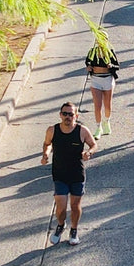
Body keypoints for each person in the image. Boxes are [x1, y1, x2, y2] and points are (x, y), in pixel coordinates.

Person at [42, 102, 96, 246]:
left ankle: (74, 230)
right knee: (60, 205)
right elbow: (47, 144)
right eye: (64, 114)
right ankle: (60, 225)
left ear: (76, 116)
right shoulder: (52, 130)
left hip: (77, 174)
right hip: (59, 174)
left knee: (75, 205)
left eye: (70, 114)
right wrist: (45, 155)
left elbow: (93, 144)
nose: (67, 117)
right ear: (60, 115)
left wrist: (88, 153)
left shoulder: (82, 131)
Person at [85, 32, 120, 139]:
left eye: (103, 39)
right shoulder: (93, 52)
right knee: (97, 105)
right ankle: (98, 127)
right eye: (99, 39)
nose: (101, 42)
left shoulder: (110, 52)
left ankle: (106, 121)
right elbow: (87, 62)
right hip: (96, 80)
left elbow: (117, 66)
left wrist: (111, 66)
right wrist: (89, 67)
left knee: (107, 105)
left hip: (108, 79)